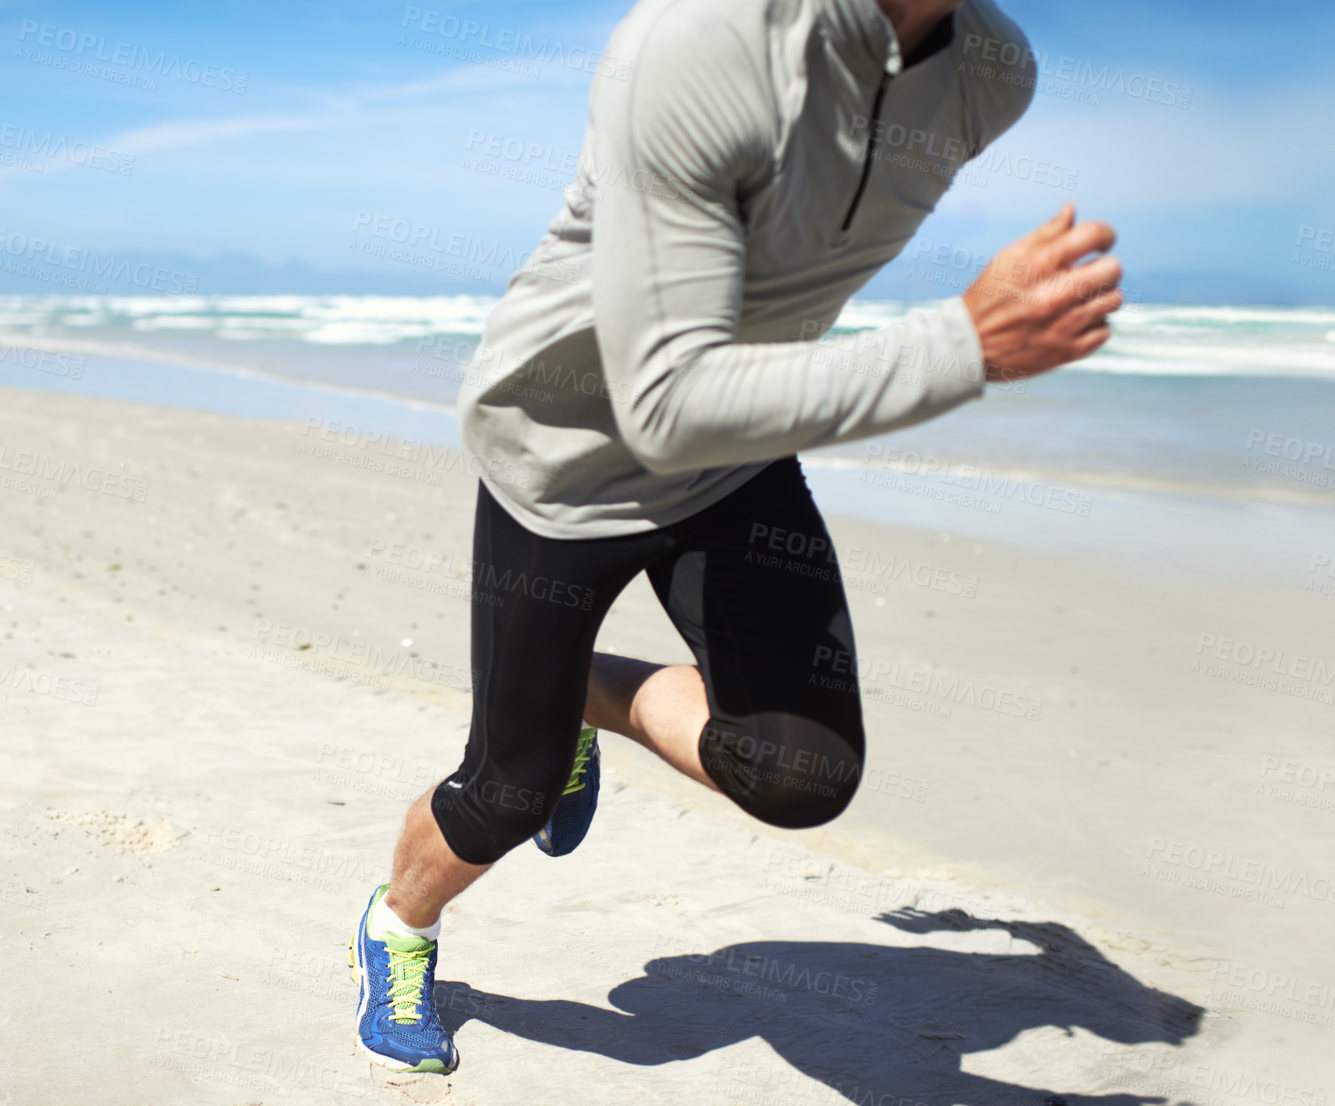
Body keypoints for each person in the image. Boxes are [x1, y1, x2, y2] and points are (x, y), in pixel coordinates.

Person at [350, 0, 1122, 1073]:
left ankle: (586, 693)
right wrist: (963, 343)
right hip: (569, 454)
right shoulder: (696, 45)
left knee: (802, 772)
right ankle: (400, 926)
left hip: (737, 451)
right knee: (508, 792)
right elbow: (663, 398)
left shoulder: (992, 73)